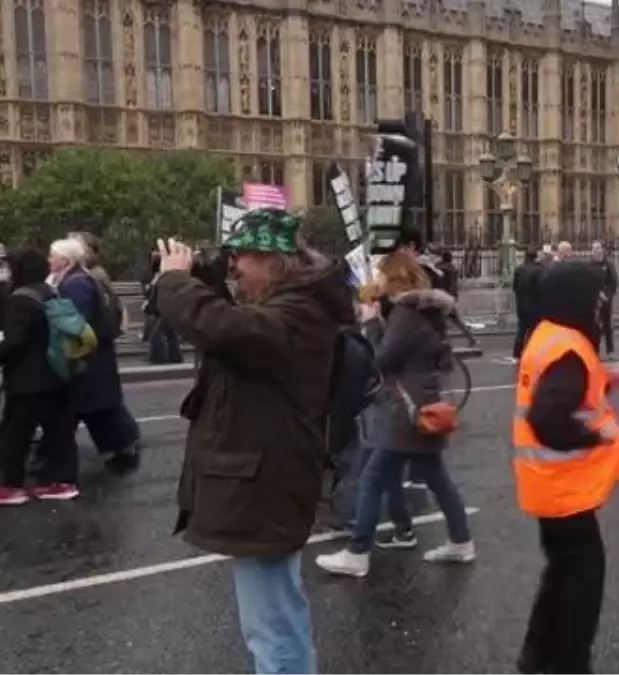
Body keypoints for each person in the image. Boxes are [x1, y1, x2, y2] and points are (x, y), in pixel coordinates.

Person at [153, 209, 355, 675]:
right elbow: (227, 328)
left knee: (273, 625)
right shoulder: (291, 306)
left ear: (274, 261)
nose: (234, 268)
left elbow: (225, 329)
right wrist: (197, 282)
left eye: (241, 257)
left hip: (269, 481)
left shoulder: (299, 314)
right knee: (272, 617)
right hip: (266, 476)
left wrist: (175, 283)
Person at [316, 249, 476, 577]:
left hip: (407, 411)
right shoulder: (426, 311)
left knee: (373, 478)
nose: (376, 278)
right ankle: (461, 541)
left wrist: (373, 325)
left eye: (380, 273)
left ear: (393, 276)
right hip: (422, 405)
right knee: (437, 480)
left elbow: (381, 359)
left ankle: (358, 552)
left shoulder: (406, 313)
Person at [512, 261, 619, 675]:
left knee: (561, 571)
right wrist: (593, 437)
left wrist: (601, 378)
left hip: (548, 486)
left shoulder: (550, 334)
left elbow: (563, 386)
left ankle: (537, 656)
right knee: (582, 582)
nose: (601, 299)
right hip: (565, 487)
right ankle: (569, 663)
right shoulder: (568, 348)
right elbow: (548, 418)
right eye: (595, 292)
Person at [46, 238, 141, 474]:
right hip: (92, 359)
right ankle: (122, 450)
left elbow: (74, 322)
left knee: (85, 408)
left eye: (52, 256)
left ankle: (54, 460)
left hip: (87, 358)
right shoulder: (77, 278)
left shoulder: (76, 283)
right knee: (95, 409)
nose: (49, 260)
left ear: (64, 260)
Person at [0, 249, 80, 505]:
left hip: (27, 381)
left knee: (14, 435)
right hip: (58, 373)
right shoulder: (51, 292)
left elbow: (14, 344)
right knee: (59, 434)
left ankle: (10, 485)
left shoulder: (19, 300)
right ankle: (62, 482)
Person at [512, 248, 543, 361]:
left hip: (521, 305)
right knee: (534, 331)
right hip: (535, 306)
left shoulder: (519, 269)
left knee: (521, 329)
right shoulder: (539, 269)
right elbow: (541, 288)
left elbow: (514, 287)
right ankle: (531, 352)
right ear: (535, 257)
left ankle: (517, 353)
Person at [590, 241, 618, 360]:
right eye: (594, 249)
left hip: (605, 300)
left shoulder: (608, 265)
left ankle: (610, 351)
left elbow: (613, 282)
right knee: (594, 327)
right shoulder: (589, 265)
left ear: (602, 250)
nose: (596, 251)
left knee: (607, 326)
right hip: (593, 301)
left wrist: (605, 295)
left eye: (598, 248)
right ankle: (594, 351)